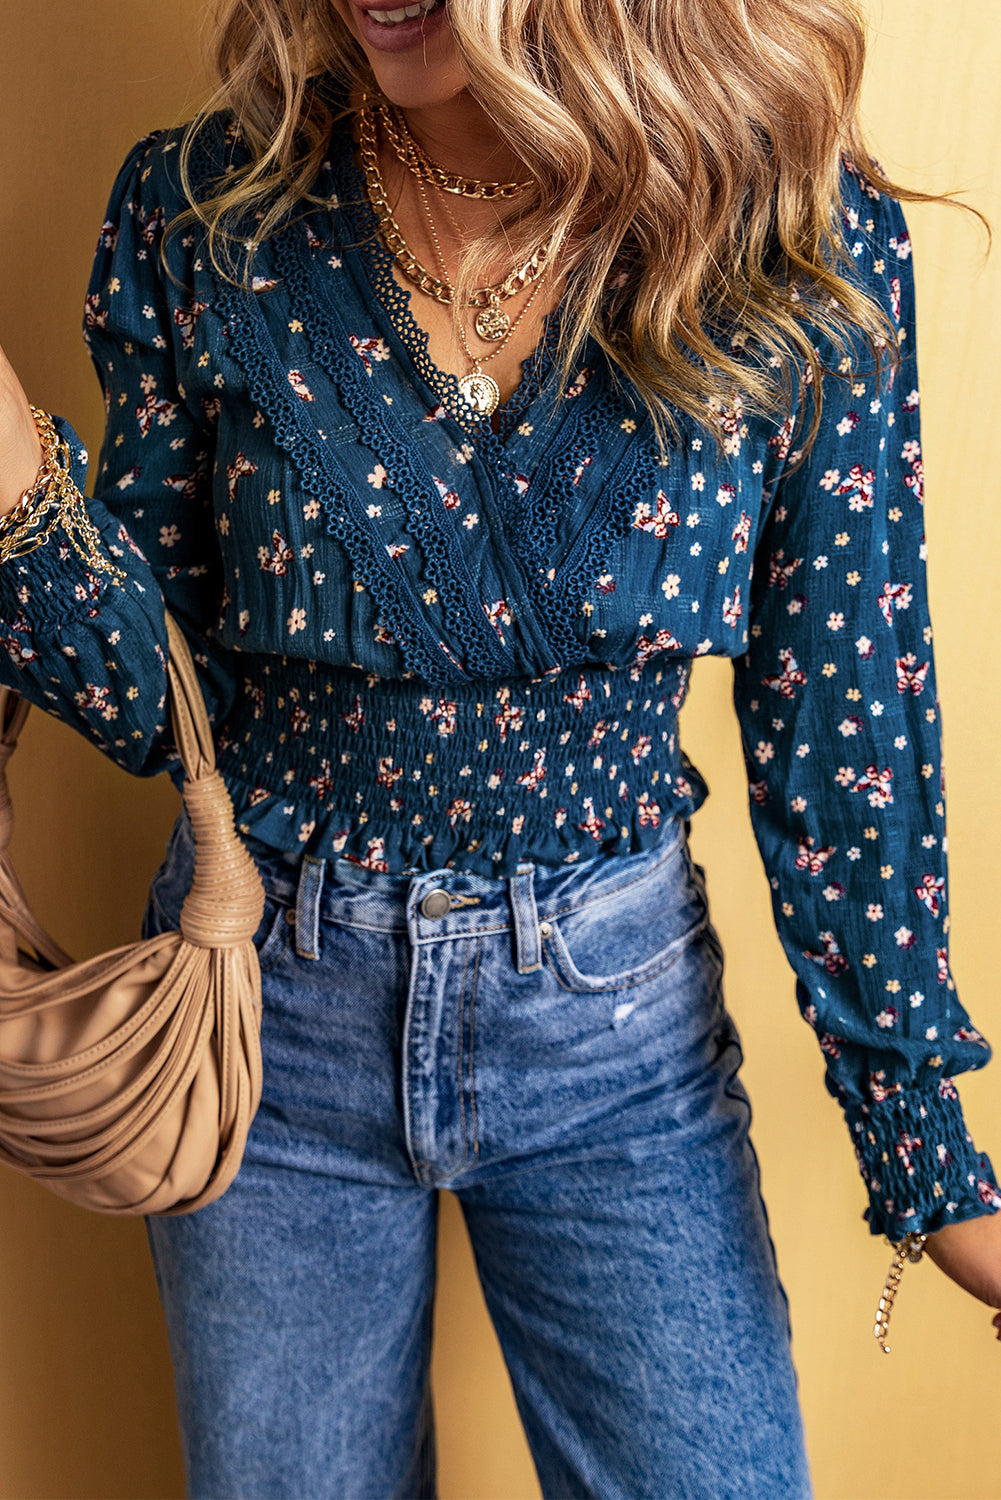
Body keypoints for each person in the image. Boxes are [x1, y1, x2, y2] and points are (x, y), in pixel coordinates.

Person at [0, 0, 999, 1494]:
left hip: (617, 1039)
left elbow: (845, 707)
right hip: (264, 1016)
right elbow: (162, 710)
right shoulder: (206, 208)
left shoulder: (792, 229)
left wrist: (919, 1140)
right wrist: (15, 492)